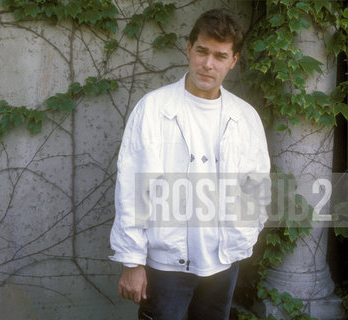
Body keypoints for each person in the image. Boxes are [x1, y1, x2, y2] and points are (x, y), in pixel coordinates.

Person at [109, 8, 271, 320]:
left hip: (223, 264)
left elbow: (257, 187)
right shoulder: (154, 109)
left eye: (220, 56)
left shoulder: (245, 117)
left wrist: (244, 237)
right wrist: (132, 261)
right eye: (202, 51)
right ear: (189, 49)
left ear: (234, 60)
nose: (208, 64)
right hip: (167, 265)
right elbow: (131, 189)